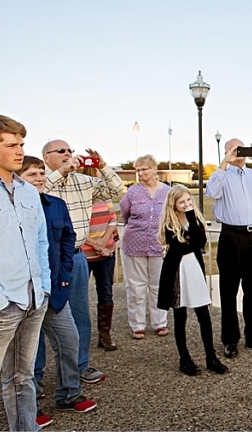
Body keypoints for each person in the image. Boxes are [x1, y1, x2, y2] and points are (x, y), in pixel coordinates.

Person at [0, 115, 50, 431]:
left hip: (33, 300)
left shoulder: (28, 192)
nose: (20, 151)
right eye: (11, 145)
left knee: (22, 379)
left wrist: (43, 286)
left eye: (21, 144)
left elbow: (41, 242)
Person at [19, 156, 97, 428]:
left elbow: (67, 239)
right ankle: (29, 404)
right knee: (27, 351)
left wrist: (63, 276)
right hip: (22, 294)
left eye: (42, 173)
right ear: (18, 179)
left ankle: (69, 393)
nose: (40, 178)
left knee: (69, 339)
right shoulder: (13, 208)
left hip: (53, 290)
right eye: (32, 174)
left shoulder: (57, 205)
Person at [43, 140, 123, 384]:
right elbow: (38, 193)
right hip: (46, 256)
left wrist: (103, 165)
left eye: (70, 150)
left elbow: (118, 190)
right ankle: (35, 377)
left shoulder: (84, 181)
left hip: (75, 255)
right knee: (38, 318)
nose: (68, 154)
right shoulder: (39, 178)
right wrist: (61, 172)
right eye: (61, 151)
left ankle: (81, 366)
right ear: (46, 157)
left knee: (80, 314)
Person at [205, 139, 252, 358]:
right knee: (229, 291)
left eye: (241, 148)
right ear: (226, 152)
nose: (238, 153)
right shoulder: (221, 175)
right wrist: (225, 163)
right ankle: (230, 340)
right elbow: (212, 192)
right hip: (231, 236)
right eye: (233, 149)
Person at [157, 185, 228, 376]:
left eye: (188, 200)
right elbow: (179, 246)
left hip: (194, 269)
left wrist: (191, 222)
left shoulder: (195, 219)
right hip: (177, 271)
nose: (186, 204)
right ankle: (184, 359)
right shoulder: (170, 223)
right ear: (174, 204)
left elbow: (199, 242)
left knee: (203, 314)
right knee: (180, 316)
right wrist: (191, 241)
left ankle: (211, 357)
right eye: (182, 202)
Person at [119, 155, 171, 339]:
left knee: (158, 285)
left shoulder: (167, 192)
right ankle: (137, 325)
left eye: (144, 169)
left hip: (159, 245)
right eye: (138, 170)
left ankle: (160, 323)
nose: (141, 173)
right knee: (136, 287)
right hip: (134, 244)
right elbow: (125, 214)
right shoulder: (132, 192)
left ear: (154, 169)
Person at [80, 165, 120, 351]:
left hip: (106, 252)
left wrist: (104, 243)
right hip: (85, 253)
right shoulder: (77, 199)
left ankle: (104, 334)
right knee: (80, 295)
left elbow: (113, 219)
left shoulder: (104, 196)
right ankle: (80, 336)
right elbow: (74, 226)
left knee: (105, 291)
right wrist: (95, 245)